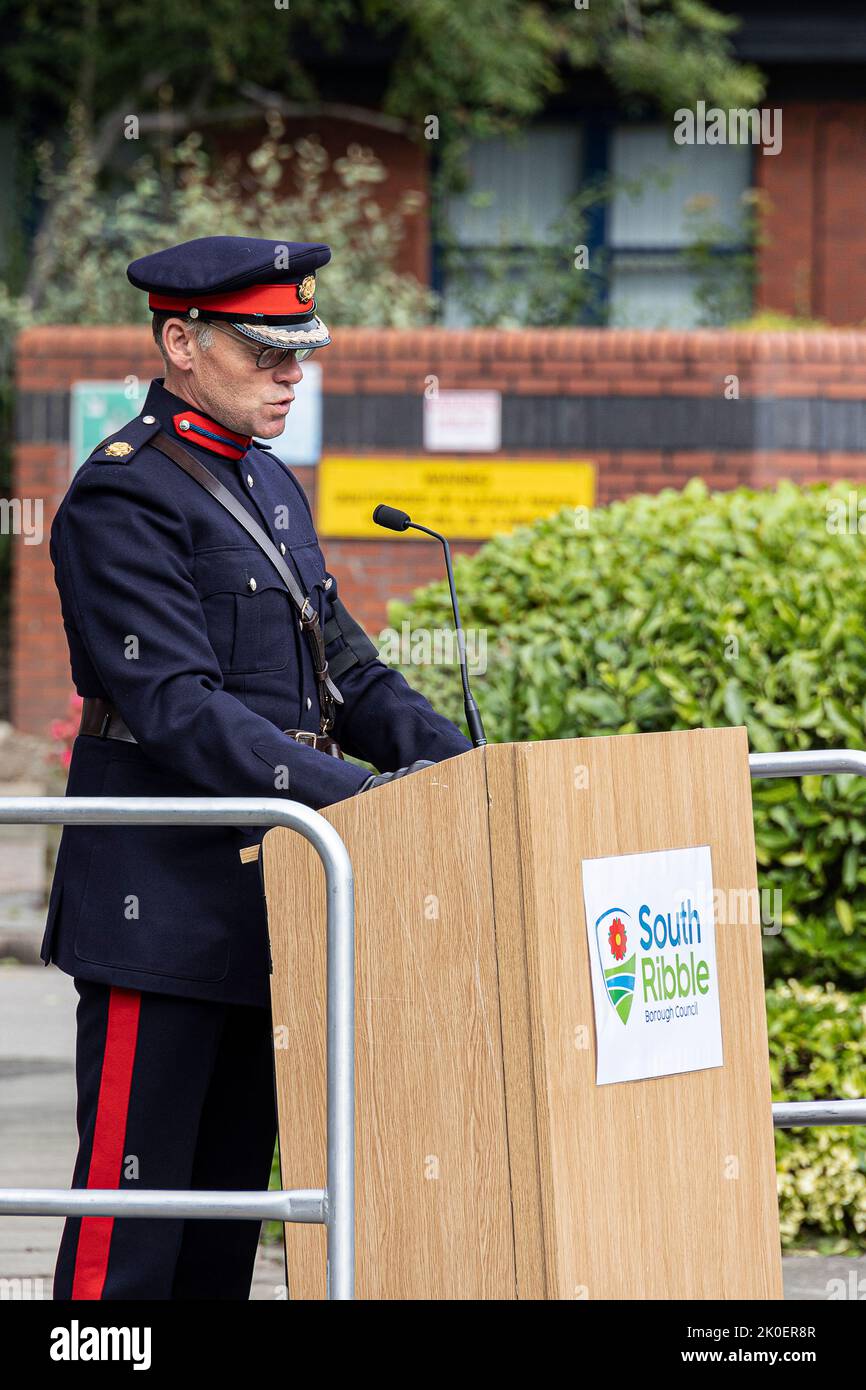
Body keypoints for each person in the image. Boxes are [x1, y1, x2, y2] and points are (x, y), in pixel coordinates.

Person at [43, 235, 473, 1299]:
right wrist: (358, 799)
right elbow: (178, 710)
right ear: (180, 342)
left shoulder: (266, 485)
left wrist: (468, 776)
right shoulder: (124, 496)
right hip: (161, 911)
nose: (292, 374)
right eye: (266, 352)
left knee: (226, 1226)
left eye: (300, 353)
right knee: (130, 1236)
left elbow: (351, 675)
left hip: (268, 903)